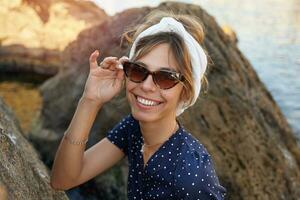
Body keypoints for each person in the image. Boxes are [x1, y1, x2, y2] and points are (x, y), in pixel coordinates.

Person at [50, 9, 227, 199]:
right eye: (138, 70)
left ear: (185, 91)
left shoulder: (190, 177)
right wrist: (90, 101)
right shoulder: (134, 130)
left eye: (166, 77)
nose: (147, 85)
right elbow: (63, 180)